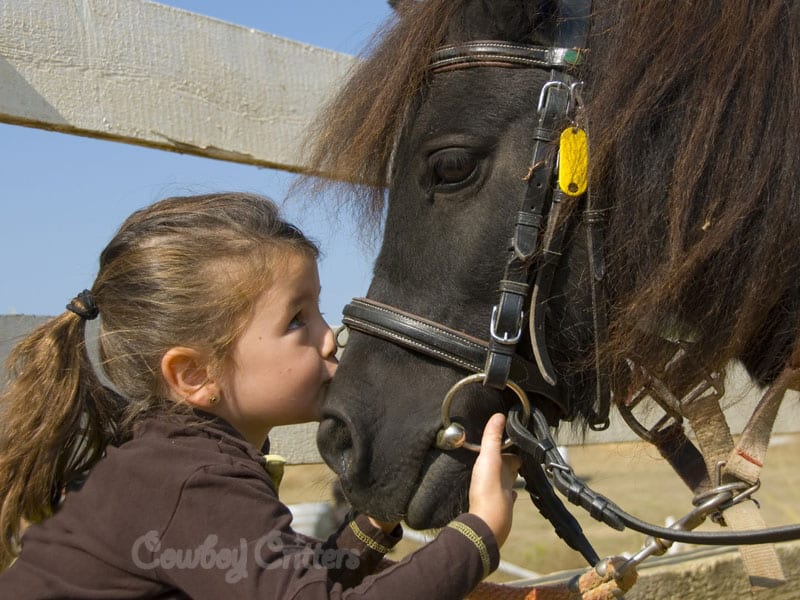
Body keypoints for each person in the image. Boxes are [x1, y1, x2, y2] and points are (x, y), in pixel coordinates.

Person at [0, 192, 520, 599]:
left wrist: (377, 520)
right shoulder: (193, 479)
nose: (328, 335)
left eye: (319, 310)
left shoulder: (174, 459)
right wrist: (478, 535)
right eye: (296, 319)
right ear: (194, 374)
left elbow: (289, 583)